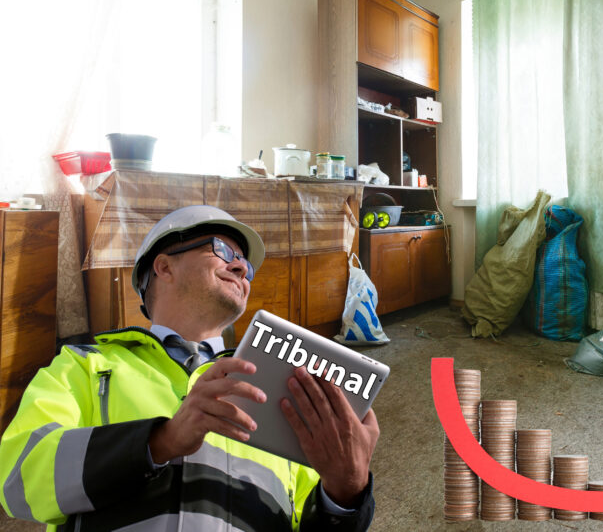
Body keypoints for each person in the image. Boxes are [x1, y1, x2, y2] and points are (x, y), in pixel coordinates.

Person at [0, 205, 379, 531]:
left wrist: (345, 494)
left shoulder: (278, 386)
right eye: (223, 250)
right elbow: (19, 479)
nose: (241, 268)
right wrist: (160, 441)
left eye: (245, 264)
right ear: (164, 266)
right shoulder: (85, 364)